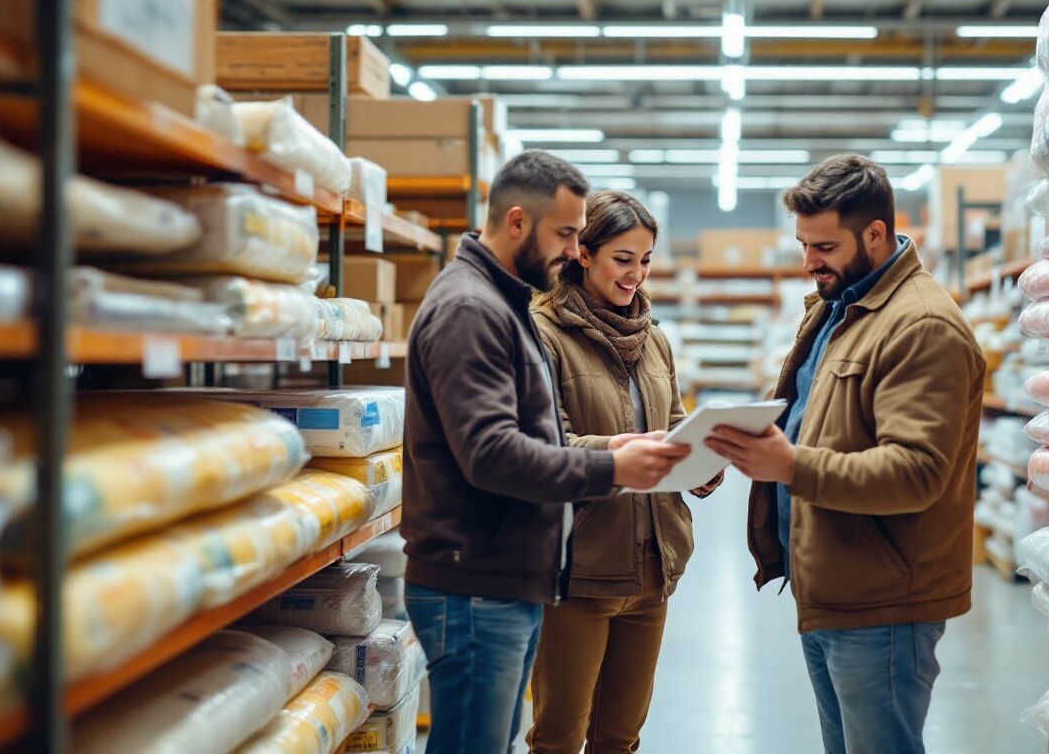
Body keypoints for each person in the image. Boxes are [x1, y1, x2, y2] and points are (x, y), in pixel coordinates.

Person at [402, 151, 692, 754]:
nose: (572, 251)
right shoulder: (475, 310)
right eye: (566, 235)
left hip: (522, 571)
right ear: (517, 222)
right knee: (528, 738)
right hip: (486, 575)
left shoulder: (502, 304)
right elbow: (495, 453)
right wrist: (613, 462)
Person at [705, 154, 985, 754]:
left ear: (876, 233)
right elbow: (824, 420)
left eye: (824, 246)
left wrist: (789, 466)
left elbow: (916, 472)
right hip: (834, 584)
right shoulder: (843, 308)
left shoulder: (921, 325)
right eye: (804, 244)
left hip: (883, 602)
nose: (809, 262)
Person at [525, 190, 724, 754]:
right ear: (582, 254)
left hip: (651, 569)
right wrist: (619, 452)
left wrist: (701, 463)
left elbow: (676, 421)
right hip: (578, 568)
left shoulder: (653, 338)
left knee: (620, 737)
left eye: (646, 260)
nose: (636, 274)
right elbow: (542, 445)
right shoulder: (542, 335)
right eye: (622, 259)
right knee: (559, 738)